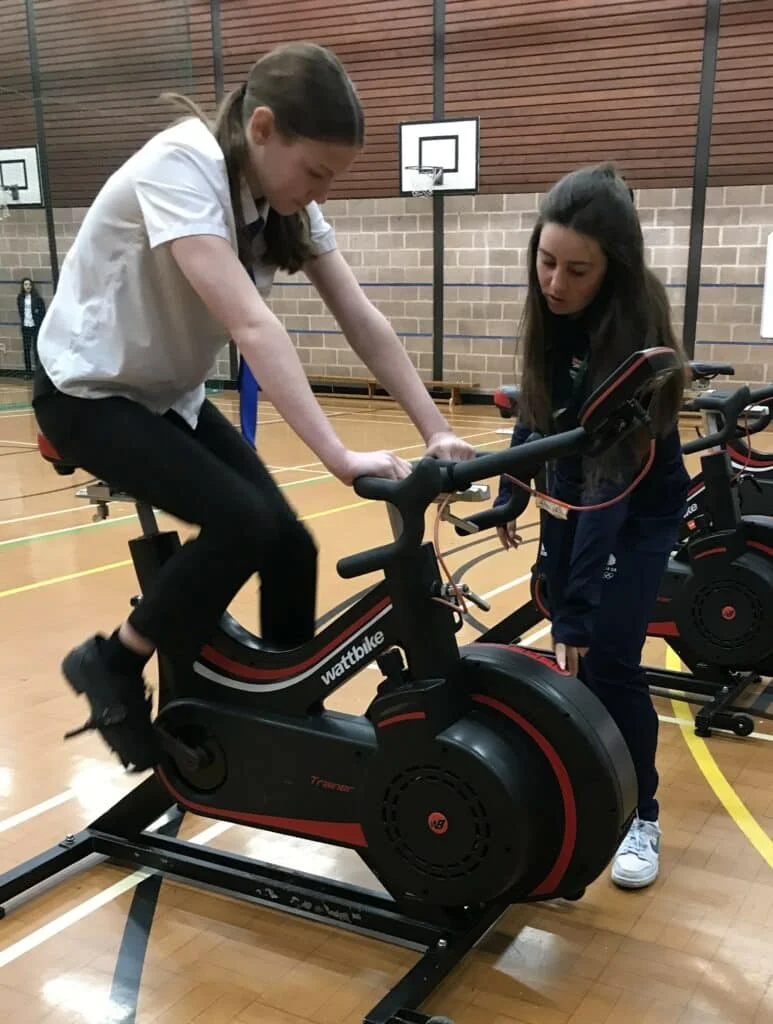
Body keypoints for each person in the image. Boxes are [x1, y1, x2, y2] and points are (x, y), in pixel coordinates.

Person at [32, 41, 475, 773]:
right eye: (317, 173)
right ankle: (112, 660)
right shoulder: (182, 164)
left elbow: (360, 317)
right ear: (262, 129)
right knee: (241, 523)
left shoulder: (276, 198)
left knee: (289, 545)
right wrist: (337, 455)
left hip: (162, 396)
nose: (323, 192)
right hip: (86, 392)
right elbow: (250, 326)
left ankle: (279, 714)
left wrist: (434, 428)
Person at [493, 163, 690, 890]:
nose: (554, 282)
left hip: (638, 507)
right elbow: (539, 411)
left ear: (612, 270)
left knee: (606, 656)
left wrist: (575, 613)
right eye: (545, 262)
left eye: (577, 271)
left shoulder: (633, 337)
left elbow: (610, 487)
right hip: (583, 486)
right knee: (565, 622)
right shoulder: (550, 311)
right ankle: (578, 780)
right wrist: (512, 492)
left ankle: (644, 812)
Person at [17, 276, 46, 376]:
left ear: (32, 286)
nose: (27, 286)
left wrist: (37, 316)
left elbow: (42, 312)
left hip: (35, 327)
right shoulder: (20, 298)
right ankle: (28, 372)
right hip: (25, 327)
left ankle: (38, 372)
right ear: (23, 286)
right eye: (25, 284)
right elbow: (21, 312)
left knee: (36, 349)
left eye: (29, 284)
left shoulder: (37, 298)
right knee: (26, 349)